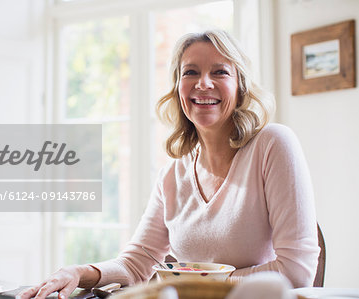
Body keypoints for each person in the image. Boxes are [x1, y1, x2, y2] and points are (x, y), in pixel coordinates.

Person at [19, 29, 320, 299]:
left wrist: (190, 286)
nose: (203, 84)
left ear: (240, 86)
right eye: (190, 72)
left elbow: (296, 270)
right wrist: (77, 272)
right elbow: (137, 262)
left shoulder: (273, 144)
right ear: (178, 88)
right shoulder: (173, 174)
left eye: (220, 72)